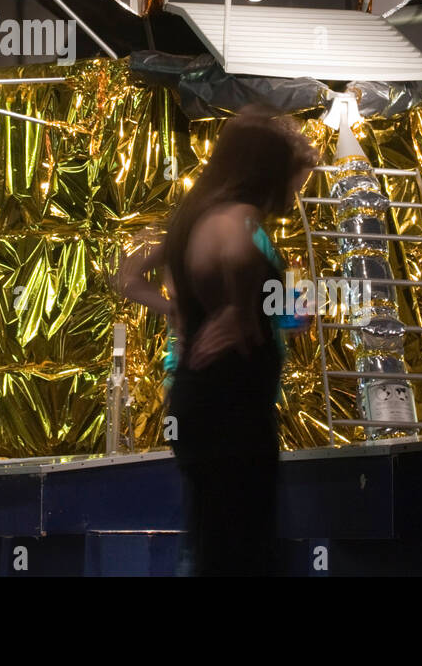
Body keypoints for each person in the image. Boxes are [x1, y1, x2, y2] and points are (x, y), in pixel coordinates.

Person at [119, 107, 317, 576]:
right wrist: (238, 307)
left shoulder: (192, 216)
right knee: (238, 547)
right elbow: (235, 252)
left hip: (200, 400)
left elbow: (128, 276)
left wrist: (184, 308)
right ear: (265, 170)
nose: (295, 193)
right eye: (294, 179)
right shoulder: (239, 218)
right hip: (230, 410)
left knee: (213, 542)